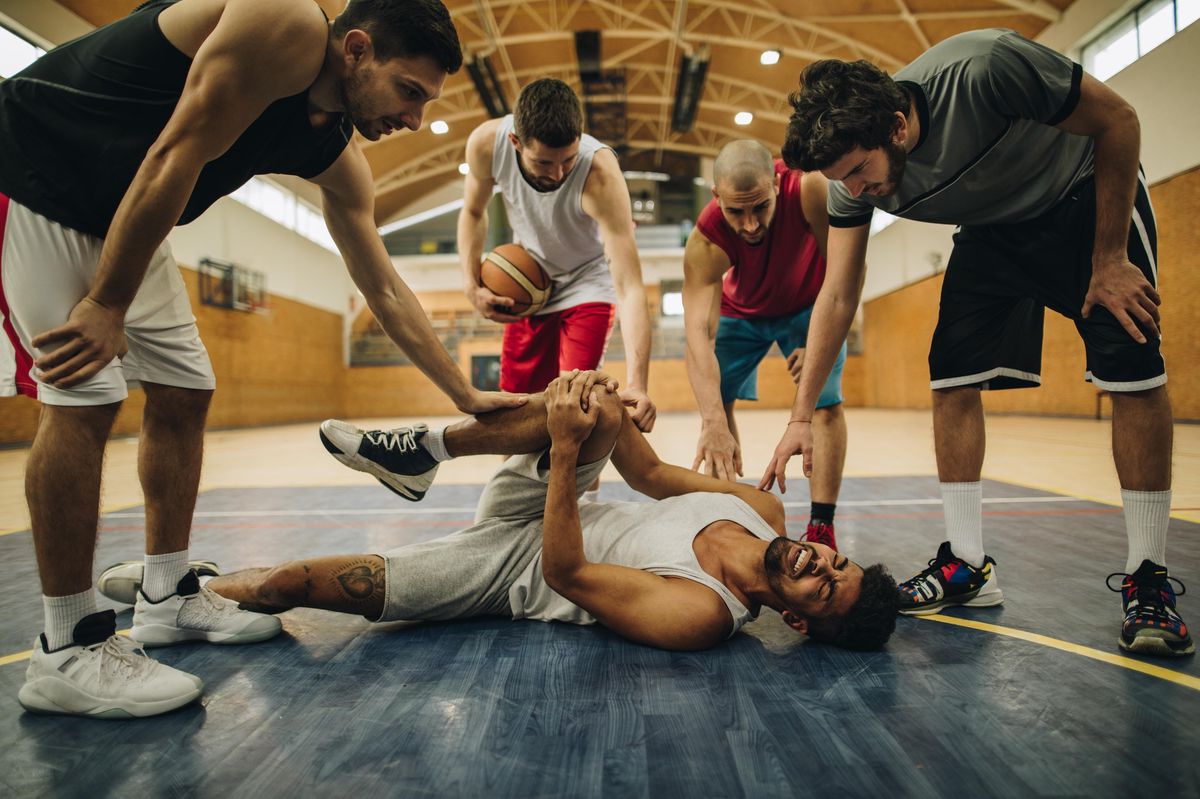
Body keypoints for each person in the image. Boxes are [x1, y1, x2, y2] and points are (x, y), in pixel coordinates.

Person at [2, 0, 527, 719]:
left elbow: (382, 285)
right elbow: (175, 152)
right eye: (409, 91)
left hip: (127, 211)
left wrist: (463, 395)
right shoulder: (283, 24)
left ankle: (166, 596)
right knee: (85, 398)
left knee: (186, 390)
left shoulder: (334, 150)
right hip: (40, 174)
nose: (414, 119)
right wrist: (106, 302)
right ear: (355, 49)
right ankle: (67, 646)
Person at [762, 29, 1190, 657]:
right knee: (951, 377)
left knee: (1132, 370)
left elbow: (1119, 120)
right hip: (991, 230)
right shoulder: (851, 185)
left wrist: (1109, 257)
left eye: (858, 170)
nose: (854, 187)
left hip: (1079, 198)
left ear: (898, 128)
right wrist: (801, 414)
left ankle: (1150, 577)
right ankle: (968, 566)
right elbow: (838, 293)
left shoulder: (985, 69)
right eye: (839, 178)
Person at [104, 371, 899, 652]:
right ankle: (419, 448)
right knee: (597, 399)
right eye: (838, 561)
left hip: (512, 568)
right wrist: (598, 417)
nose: (821, 562)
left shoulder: (701, 614)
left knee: (291, 583)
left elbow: (566, 570)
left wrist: (563, 453)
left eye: (825, 589)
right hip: (557, 504)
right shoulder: (759, 507)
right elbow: (652, 474)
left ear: (795, 620)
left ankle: (181, 585)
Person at [458, 78, 657, 447]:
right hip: (531, 280)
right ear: (515, 142)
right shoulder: (487, 144)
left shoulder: (599, 174)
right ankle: (517, 500)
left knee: (575, 408)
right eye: (544, 162)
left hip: (588, 282)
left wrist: (637, 384)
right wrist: (472, 287)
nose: (558, 173)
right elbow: (472, 211)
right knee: (515, 412)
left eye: (568, 159)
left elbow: (629, 287)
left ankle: (583, 499)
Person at [683, 139, 846, 549]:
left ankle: (821, 525)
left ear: (776, 182)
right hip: (743, 312)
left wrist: (820, 342)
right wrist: (712, 421)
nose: (750, 224)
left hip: (811, 305)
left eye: (760, 207)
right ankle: (731, 515)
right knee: (714, 405)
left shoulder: (810, 189)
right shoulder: (705, 240)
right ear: (716, 196)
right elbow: (697, 335)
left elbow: (844, 272)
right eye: (736, 211)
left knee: (825, 406)